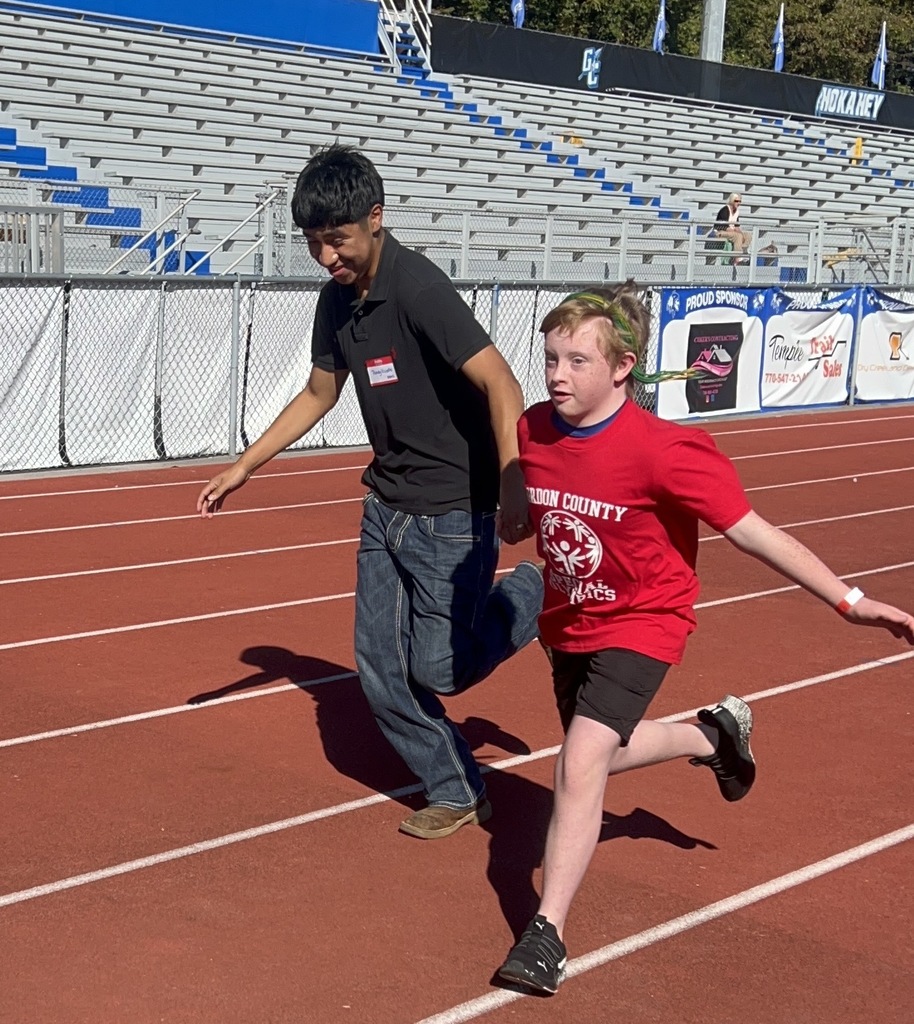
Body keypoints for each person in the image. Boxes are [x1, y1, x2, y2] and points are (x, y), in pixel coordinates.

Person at [497, 284, 914, 994]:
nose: (557, 374)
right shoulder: (534, 429)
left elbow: (755, 534)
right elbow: (521, 502)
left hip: (647, 620)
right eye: (550, 358)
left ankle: (547, 934)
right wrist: (506, 519)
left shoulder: (669, 452)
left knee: (582, 757)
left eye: (576, 360)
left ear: (624, 367)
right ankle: (711, 736)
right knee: (597, 760)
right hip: (570, 624)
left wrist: (850, 602)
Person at [196, 144, 544, 839]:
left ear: (375, 219)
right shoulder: (336, 303)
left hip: (454, 509)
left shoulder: (418, 289)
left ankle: (530, 594)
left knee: (439, 668)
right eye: (314, 243)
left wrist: (513, 483)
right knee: (380, 667)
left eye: (338, 239)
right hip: (385, 506)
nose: (327, 256)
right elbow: (321, 391)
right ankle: (456, 787)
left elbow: (502, 383)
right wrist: (245, 465)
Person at [713, 192, 752, 262]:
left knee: (748, 235)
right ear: (732, 200)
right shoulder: (725, 210)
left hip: (731, 231)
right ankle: (737, 256)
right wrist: (738, 233)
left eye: (740, 201)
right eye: (736, 201)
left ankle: (744, 252)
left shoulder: (737, 211)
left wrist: (742, 234)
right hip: (721, 231)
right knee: (738, 236)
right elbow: (723, 227)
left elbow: (736, 226)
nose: (739, 203)